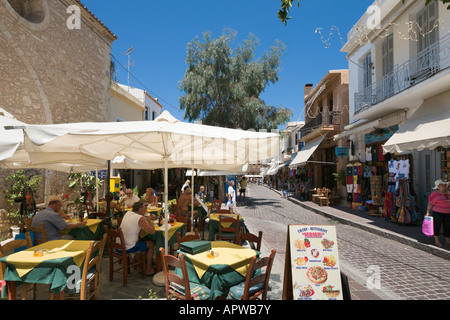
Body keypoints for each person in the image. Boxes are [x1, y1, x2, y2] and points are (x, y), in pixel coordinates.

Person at [120, 200, 156, 275]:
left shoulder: (128, 213)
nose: (146, 210)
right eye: (144, 208)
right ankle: (148, 269)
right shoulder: (140, 218)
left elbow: (133, 227)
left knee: (140, 239)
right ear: (140, 209)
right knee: (151, 244)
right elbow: (152, 232)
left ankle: (139, 265)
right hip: (128, 247)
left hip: (120, 245)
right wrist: (149, 220)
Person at [426, 179, 450, 247]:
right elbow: (430, 203)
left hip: (448, 212)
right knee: (437, 226)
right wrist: (428, 212)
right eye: (442, 185)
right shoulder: (434, 193)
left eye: (444, 185)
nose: (444, 187)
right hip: (437, 212)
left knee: (447, 226)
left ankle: (447, 239)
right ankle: (437, 240)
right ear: (438, 186)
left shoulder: (448, 192)